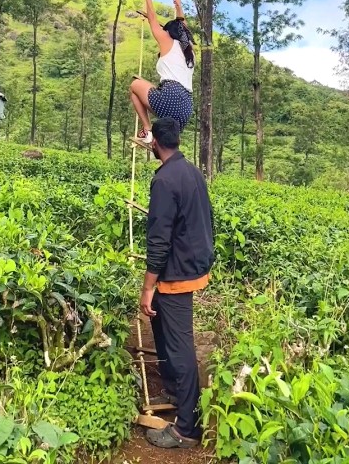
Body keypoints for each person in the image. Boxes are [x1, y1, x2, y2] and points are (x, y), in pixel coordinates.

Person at [138, 116, 214, 449]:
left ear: (156, 143)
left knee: (181, 346)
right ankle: (173, 387)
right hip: (191, 264)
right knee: (164, 331)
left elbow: (159, 241)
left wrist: (147, 287)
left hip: (176, 273)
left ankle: (188, 427)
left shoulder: (165, 181)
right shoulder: (191, 171)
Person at [129, 0, 195, 147]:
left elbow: (152, 19)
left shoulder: (168, 41)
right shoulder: (189, 50)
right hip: (185, 109)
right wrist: (179, 6)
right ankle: (159, 140)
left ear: (168, 32)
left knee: (134, 86)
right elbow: (184, 29)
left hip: (170, 97)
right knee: (149, 89)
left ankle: (147, 130)